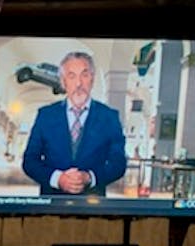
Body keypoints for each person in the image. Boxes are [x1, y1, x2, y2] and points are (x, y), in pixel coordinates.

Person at [22, 51, 126, 196]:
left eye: (84, 75)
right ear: (63, 82)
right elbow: (30, 161)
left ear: (92, 79)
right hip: (51, 205)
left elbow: (119, 163)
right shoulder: (45, 115)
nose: (79, 84)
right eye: (71, 76)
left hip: (94, 207)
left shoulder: (110, 117)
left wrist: (90, 177)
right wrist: (58, 179)